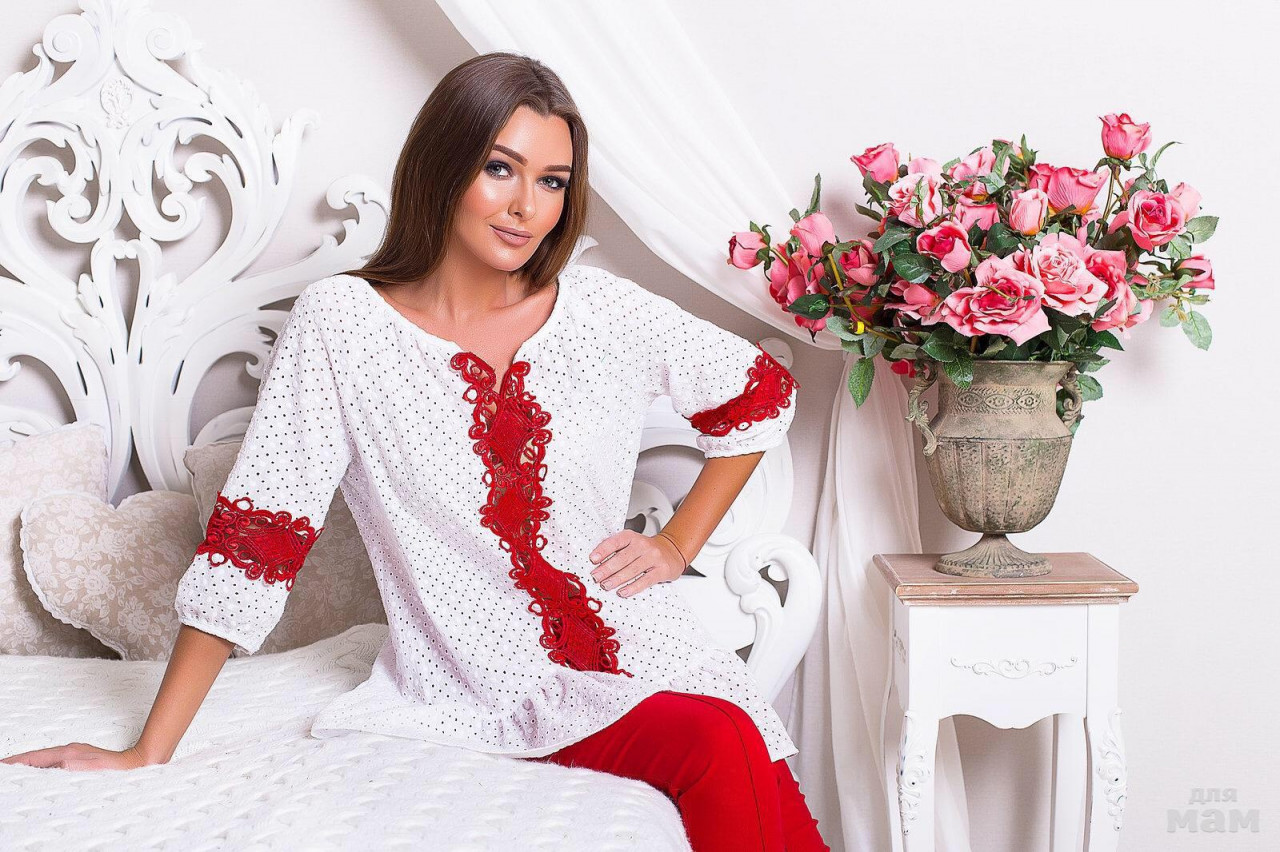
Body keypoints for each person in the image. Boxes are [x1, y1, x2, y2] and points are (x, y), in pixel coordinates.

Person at [2, 52, 826, 852]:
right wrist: (150, 749)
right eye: (500, 169)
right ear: (443, 165)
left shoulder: (603, 312)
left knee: (741, 733)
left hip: (644, 639)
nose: (526, 207)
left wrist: (676, 543)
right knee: (716, 736)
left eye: (552, 181)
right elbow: (257, 541)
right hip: (481, 674)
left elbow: (758, 396)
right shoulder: (344, 326)